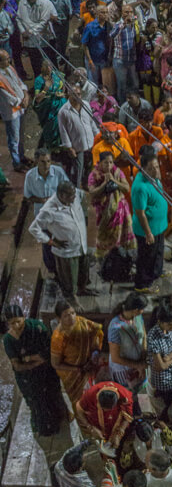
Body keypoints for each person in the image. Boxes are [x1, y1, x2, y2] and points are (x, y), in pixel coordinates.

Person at [2, 304, 67, 436]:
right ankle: (43, 426)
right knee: (36, 402)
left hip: (46, 372)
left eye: (18, 321)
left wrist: (30, 358)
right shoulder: (8, 340)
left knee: (53, 393)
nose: (16, 325)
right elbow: (17, 366)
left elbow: (50, 351)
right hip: (28, 378)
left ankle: (60, 416)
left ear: (24, 318)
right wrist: (36, 361)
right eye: (12, 323)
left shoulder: (36, 328)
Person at [28, 180, 92, 303]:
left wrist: (85, 215)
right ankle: (71, 297)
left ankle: (82, 289)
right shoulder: (49, 209)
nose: (74, 197)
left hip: (81, 244)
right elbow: (33, 228)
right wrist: (50, 241)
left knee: (83, 270)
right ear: (61, 195)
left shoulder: (76, 194)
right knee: (69, 276)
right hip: (66, 250)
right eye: (70, 196)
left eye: (74, 194)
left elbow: (83, 196)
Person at [50, 300, 103, 405]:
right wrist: (78, 369)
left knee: (91, 393)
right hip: (72, 373)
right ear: (59, 319)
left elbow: (97, 334)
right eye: (66, 316)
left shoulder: (83, 322)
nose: (72, 317)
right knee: (77, 400)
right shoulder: (58, 337)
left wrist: (94, 354)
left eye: (73, 313)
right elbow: (55, 364)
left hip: (88, 365)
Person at [131, 146, 169, 293]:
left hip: (159, 226)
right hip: (148, 230)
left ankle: (156, 272)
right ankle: (142, 284)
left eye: (157, 166)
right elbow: (140, 213)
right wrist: (148, 233)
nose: (156, 170)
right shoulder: (140, 187)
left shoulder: (155, 178)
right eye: (152, 168)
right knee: (147, 257)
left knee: (158, 252)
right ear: (143, 168)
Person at [86, 150, 134, 258]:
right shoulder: (94, 175)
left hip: (118, 210)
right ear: (100, 163)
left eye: (111, 162)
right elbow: (92, 193)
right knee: (103, 238)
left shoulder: (117, 172)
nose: (109, 165)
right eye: (106, 163)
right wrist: (104, 184)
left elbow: (126, 188)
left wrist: (114, 180)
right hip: (102, 212)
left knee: (118, 236)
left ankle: (117, 255)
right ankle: (103, 258)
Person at [146, 305, 172, 410]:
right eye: (169, 324)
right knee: (168, 405)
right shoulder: (153, 338)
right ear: (160, 322)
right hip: (164, 381)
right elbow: (161, 367)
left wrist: (169, 357)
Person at [106, 294, 148, 393]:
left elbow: (144, 336)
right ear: (136, 309)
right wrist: (137, 365)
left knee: (136, 391)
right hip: (124, 370)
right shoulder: (115, 328)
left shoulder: (137, 317)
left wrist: (142, 361)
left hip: (139, 363)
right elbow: (115, 358)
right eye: (142, 309)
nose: (143, 311)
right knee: (126, 394)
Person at [0, 46, 29, 171]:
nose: (9, 60)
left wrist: (26, 95)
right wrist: (21, 102)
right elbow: (7, 97)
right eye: (6, 59)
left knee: (21, 135)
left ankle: (22, 157)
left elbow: (20, 83)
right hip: (12, 111)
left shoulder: (10, 68)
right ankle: (16, 162)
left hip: (21, 107)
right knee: (14, 138)